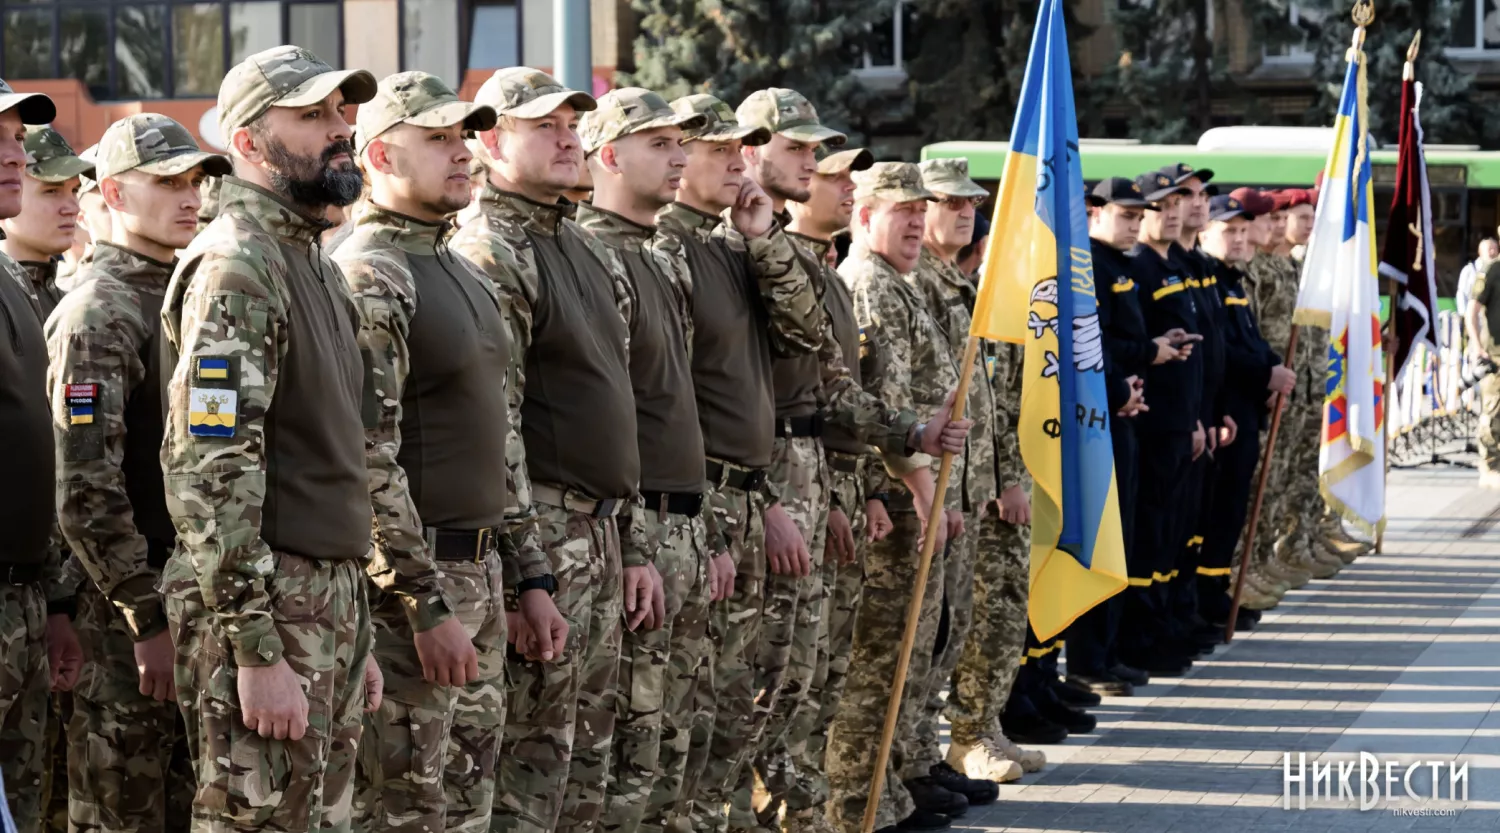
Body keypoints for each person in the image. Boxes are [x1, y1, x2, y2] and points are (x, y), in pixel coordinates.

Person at [158, 45, 384, 830]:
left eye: (341, 111)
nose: (340, 128)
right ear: (249, 143)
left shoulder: (310, 260)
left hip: (324, 601)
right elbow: (208, 467)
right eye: (313, 114)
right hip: (268, 606)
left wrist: (354, 623)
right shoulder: (238, 266)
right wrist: (255, 648)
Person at [334, 71, 536, 832]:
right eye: (439, 138)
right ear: (381, 155)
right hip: (416, 592)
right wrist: (422, 600)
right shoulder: (372, 273)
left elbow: (503, 433)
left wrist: (530, 573)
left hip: (480, 575)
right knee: (407, 809)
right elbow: (366, 454)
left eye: (463, 136)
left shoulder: (459, 268)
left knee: (467, 807)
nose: (463, 153)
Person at [452, 66, 643, 833]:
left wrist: (626, 540)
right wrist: (528, 570)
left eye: (572, 126)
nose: (568, 140)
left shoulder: (575, 242)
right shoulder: (493, 249)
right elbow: (496, 427)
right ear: (491, 141)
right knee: (530, 773)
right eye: (546, 128)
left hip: (595, 532)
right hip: (547, 536)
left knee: (582, 765)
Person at [47, 112, 228, 832]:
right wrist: (145, 615)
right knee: (125, 807)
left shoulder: (194, 292)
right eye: (167, 183)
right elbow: (86, 489)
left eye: (194, 182)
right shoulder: (100, 311)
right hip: (129, 616)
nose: (190, 197)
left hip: (199, 601)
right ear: (115, 195)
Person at [652, 92, 826, 833]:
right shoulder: (665, 251)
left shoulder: (731, 246)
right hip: (704, 501)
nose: (735, 161)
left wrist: (762, 235)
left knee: (741, 703)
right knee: (692, 712)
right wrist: (715, 524)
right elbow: (668, 402)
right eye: (717, 148)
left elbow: (806, 334)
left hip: (748, 494)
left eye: (740, 149)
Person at [574, 87, 713, 833]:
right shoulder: (601, 259)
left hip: (681, 523)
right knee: (630, 740)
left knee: (672, 735)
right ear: (609, 156)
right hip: (640, 529)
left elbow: (676, 404)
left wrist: (707, 527)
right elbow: (607, 417)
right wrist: (630, 544)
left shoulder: (653, 256)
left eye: (680, 141)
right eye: (659, 142)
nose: (680, 155)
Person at [828, 162, 971, 833]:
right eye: (901, 210)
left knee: (910, 651)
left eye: (921, 210)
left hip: (920, 492)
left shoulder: (899, 284)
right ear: (864, 215)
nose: (917, 221)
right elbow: (879, 407)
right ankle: (867, 799)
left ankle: (891, 783)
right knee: (881, 653)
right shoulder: (873, 287)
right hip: (896, 501)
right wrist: (909, 489)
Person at [779, 143, 896, 833]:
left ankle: (822, 809)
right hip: (789, 486)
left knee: (821, 672)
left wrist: (862, 486)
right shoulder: (781, 264)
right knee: (784, 686)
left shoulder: (822, 270)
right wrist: (907, 437)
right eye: (832, 176)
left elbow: (840, 394)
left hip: (829, 482)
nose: (847, 188)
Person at [912, 157, 1040, 783]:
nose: (964, 212)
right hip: (948, 490)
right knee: (950, 625)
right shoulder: (916, 285)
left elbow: (996, 398)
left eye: (969, 204)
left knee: (994, 613)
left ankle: (979, 728)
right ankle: (949, 742)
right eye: (947, 202)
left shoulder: (967, 286)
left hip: (982, 484)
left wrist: (1008, 476)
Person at [0, 77, 83, 833]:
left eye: (15, 143)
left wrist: (55, 600)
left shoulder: (35, 297)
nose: (13, 162)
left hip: (30, 596)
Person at [1065, 177, 1163, 699]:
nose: (1134, 224)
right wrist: (1132, 371)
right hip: (1094, 417)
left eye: (1135, 216)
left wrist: (1138, 365)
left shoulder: (1117, 266)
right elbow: (1088, 350)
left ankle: (1104, 653)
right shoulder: (1091, 268)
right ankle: (1084, 659)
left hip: (1120, 411)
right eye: (1125, 215)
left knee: (1117, 541)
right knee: (1094, 541)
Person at [1192, 194, 1294, 629]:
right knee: (1212, 511)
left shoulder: (1230, 280)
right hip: (1223, 408)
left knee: (1232, 506)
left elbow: (1248, 339)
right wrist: (1265, 372)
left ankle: (1216, 593)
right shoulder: (1207, 280)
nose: (1237, 237)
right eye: (1227, 230)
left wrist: (1271, 367)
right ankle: (1199, 600)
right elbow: (1221, 350)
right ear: (1205, 232)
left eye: (1240, 230)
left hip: (1241, 408)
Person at [1120, 170, 1203, 678]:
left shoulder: (1176, 266)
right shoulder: (1139, 268)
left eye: (1179, 203)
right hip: (1148, 422)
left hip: (1179, 419)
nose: (1171, 213)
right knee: (1147, 535)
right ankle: (1140, 637)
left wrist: (1200, 416)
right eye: (1159, 206)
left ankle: (1163, 623)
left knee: (1168, 533)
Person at [1, 125, 92, 320]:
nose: (73, 208)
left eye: (75, 191)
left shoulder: (71, 302)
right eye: (51, 191)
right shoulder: (7, 301)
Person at [1469, 255, 1500, 487]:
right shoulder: (1491, 271)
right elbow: (1473, 309)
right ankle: (1489, 465)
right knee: (1492, 410)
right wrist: (1478, 347)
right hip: (1495, 355)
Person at [1457, 237, 1498, 320]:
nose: (1493, 252)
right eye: (1489, 249)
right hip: (1473, 320)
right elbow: (1462, 294)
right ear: (1480, 252)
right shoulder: (1469, 270)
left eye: (1495, 249)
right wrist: (1466, 317)